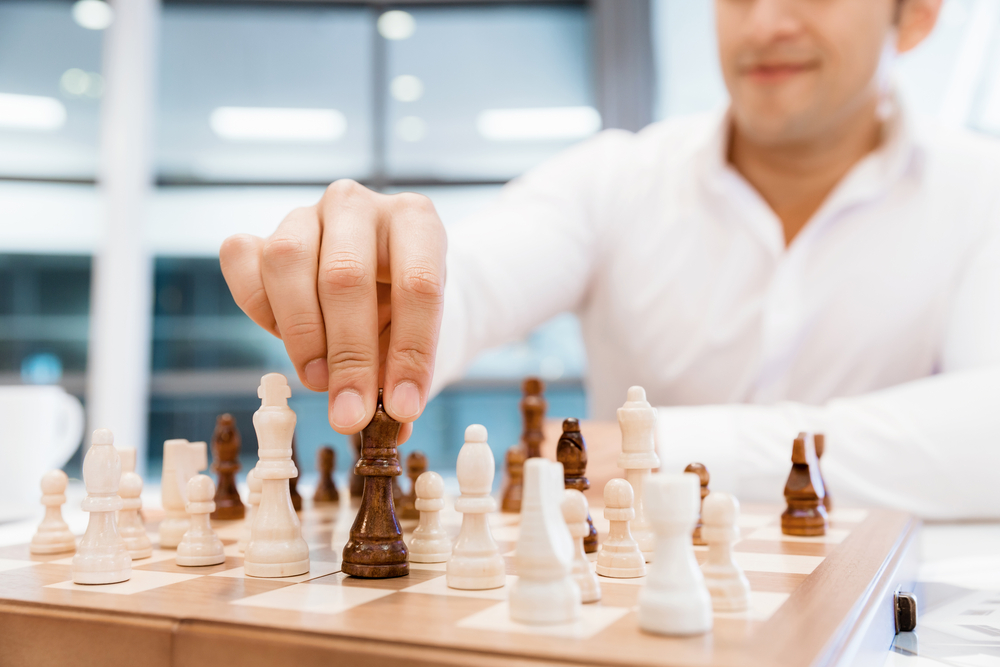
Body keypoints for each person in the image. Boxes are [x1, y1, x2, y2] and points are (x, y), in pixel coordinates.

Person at [220, 0, 1000, 519]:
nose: (765, 22)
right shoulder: (612, 180)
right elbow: (473, 282)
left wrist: (652, 448)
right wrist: (395, 294)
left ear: (918, 15)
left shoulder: (981, 193)